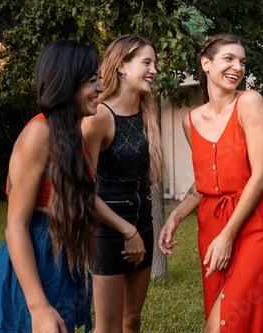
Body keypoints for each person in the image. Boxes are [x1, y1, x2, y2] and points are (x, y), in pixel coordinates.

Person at [158, 33, 263, 333]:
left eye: (242, 61)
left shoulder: (249, 102)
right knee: (219, 311)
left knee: (223, 323)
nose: (238, 67)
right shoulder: (189, 120)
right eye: (228, 59)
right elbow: (205, 182)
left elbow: (261, 175)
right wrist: (175, 217)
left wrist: (228, 235)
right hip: (211, 227)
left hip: (254, 227)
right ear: (206, 64)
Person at [0, 40, 103, 333]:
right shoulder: (39, 132)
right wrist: (38, 308)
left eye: (99, 79)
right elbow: (15, 227)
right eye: (91, 80)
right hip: (37, 262)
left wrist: (83, 278)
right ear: (66, 83)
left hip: (64, 261)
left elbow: (77, 205)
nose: (100, 88)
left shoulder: (71, 133)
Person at [82, 35, 165, 333]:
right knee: (108, 328)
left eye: (155, 63)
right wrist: (125, 230)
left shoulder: (148, 111)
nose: (153, 70)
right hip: (106, 229)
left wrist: (137, 229)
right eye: (146, 62)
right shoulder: (98, 117)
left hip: (142, 223)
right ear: (121, 67)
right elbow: (83, 191)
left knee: (132, 321)